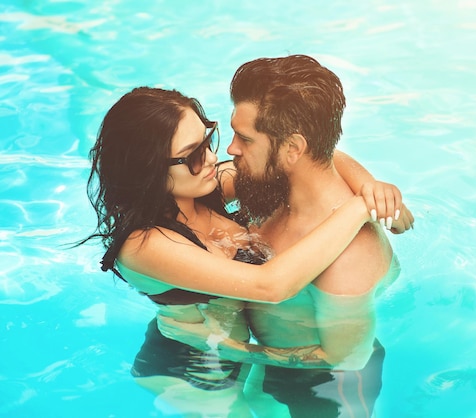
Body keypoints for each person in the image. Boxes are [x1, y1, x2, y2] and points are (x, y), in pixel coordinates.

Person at [79, 86, 405, 416]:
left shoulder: (207, 188)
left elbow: (311, 158)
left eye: (208, 141)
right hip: (192, 371)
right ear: (146, 168)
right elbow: (271, 286)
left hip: (236, 355)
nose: (210, 159)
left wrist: (373, 189)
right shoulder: (145, 245)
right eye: (192, 154)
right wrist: (360, 208)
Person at [160, 55, 414, 417]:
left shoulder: (348, 258)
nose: (230, 150)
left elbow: (347, 358)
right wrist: (368, 187)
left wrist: (230, 349)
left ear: (293, 149)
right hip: (272, 363)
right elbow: (330, 155)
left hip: (323, 389)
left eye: (244, 139)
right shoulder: (272, 189)